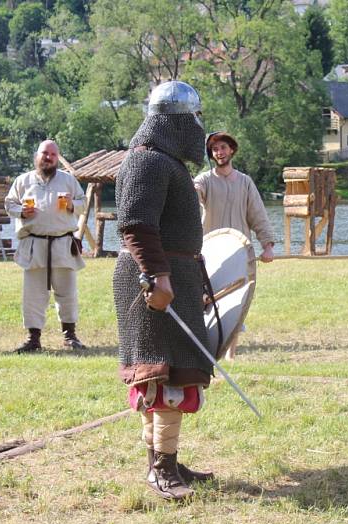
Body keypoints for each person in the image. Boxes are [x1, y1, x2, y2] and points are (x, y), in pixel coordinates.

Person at [114, 80, 214, 501]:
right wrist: (158, 276)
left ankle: (165, 457)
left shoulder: (165, 162)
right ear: (173, 121)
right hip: (152, 278)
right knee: (161, 374)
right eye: (192, 117)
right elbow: (136, 224)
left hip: (172, 274)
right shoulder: (147, 162)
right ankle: (161, 468)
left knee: (170, 370)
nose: (197, 125)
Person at [192, 132, 274, 360]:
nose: (219, 152)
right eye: (215, 149)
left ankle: (231, 354)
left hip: (239, 253)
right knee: (206, 300)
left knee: (237, 299)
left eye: (223, 147)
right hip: (210, 253)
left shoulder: (245, 182)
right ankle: (206, 346)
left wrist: (267, 246)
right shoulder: (204, 180)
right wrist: (190, 190)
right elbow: (194, 192)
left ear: (232, 150)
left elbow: (258, 215)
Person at [4, 140, 87, 353]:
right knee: (33, 294)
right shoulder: (23, 181)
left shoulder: (69, 181)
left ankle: (70, 336)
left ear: (57, 157)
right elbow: (9, 204)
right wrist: (21, 211)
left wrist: (71, 204)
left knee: (67, 292)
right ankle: (33, 339)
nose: (48, 157)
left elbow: (83, 203)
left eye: (52, 153)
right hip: (34, 244)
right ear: (37, 156)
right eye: (44, 153)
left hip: (62, 244)